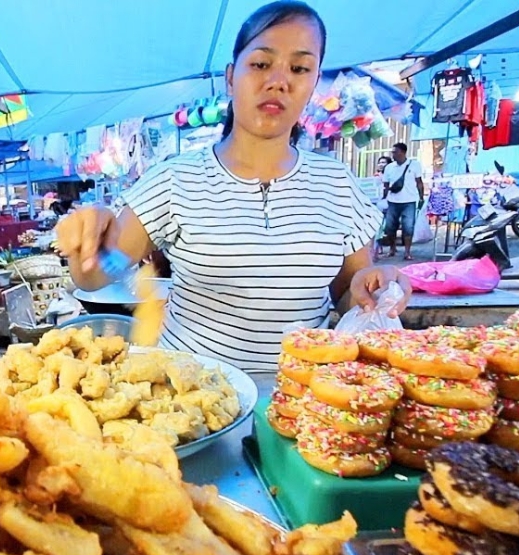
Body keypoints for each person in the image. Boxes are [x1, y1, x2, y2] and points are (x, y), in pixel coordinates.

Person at [55, 0, 412, 373]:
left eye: (300, 68)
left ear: (313, 84)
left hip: (301, 398)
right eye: (261, 63)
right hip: (194, 403)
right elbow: (99, 273)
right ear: (230, 77)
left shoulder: (337, 185)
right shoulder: (174, 182)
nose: (279, 81)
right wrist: (88, 241)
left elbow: (345, 291)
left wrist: (373, 287)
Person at [381, 142, 425, 261]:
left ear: (403, 152)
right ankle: (392, 248)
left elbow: (419, 182)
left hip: (409, 201)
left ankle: (407, 252)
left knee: (408, 227)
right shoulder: (389, 168)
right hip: (392, 201)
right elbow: (385, 184)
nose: (393, 154)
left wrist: (421, 198)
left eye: (395, 152)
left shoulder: (414, 165)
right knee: (390, 227)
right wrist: (384, 197)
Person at [373, 155, 392, 259]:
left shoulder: (391, 175)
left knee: (387, 226)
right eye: (380, 162)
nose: (381, 164)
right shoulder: (376, 176)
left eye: (384, 162)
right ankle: (377, 248)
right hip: (378, 204)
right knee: (378, 226)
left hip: (389, 203)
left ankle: (390, 248)